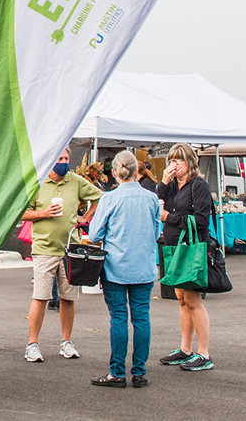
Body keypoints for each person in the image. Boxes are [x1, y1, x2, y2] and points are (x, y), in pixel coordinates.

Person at [21, 146, 102, 363]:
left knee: (68, 297)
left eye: (67, 158)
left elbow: (99, 197)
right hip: (44, 249)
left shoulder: (75, 181)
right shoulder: (36, 182)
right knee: (41, 296)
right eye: (60, 158)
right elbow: (21, 211)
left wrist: (85, 218)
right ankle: (32, 343)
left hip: (70, 249)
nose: (64, 161)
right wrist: (43, 213)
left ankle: (66, 341)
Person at [88, 151, 162, 388]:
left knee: (118, 318)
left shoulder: (109, 198)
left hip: (116, 267)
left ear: (114, 172)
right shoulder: (151, 198)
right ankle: (139, 371)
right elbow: (156, 232)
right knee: (141, 318)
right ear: (136, 171)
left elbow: (94, 234)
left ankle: (117, 372)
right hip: (143, 266)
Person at [156, 143, 214, 371]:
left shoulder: (198, 186)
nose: (174, 165)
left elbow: (201, 221)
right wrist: (163, 181)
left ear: (190, 162)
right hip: (172, 245)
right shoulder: (171, 186)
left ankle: (204, 352)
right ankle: (185, 349)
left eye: (178, 161)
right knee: (180, 298)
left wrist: (169, 217)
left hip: (191, 247)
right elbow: (156, 203)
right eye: (171, 161)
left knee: (193, 299)